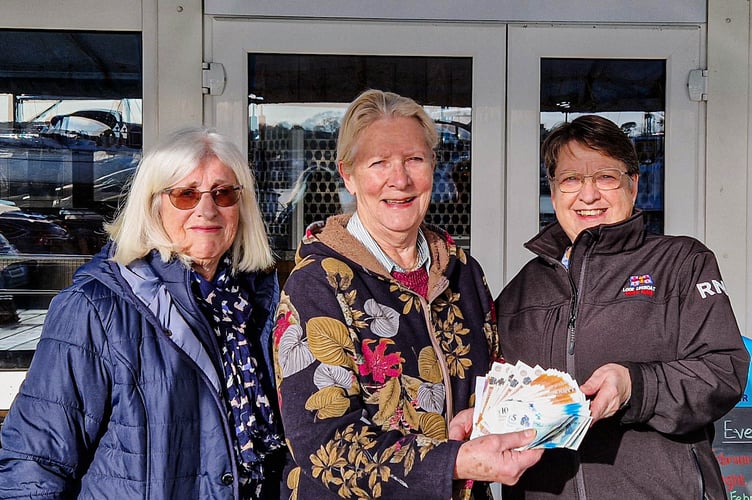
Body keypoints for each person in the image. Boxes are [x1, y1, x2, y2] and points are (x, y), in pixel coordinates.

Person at [272, 89, 543, 499]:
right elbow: (324, 445)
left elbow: (493, 378)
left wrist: (485, 419)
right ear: (348, 175)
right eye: (378, 162)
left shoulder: (462, 271)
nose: (399, 180)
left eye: (414, 160)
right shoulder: (318, 283)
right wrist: (455, 461)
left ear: (433, 167)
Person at [0, 128, 287, 499]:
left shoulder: (261, 302)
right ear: (153, 205)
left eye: (223, 193)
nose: (207, 209)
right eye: (185, 194)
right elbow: (35, 462)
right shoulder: (96, 307)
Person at [496, 114, 750, 499]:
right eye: (571, 180)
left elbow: (724, 369)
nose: (588, 194)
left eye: (605, 177)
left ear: (633, 185)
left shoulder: (681, 262)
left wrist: (635, 386)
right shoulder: (523, 289)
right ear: (553, 188)